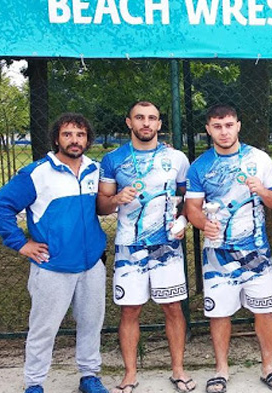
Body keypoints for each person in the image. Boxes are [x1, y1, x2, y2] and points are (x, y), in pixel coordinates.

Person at [0, 114, 109, 393]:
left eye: (80, 135)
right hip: (52, 265)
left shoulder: (95, 170)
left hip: (91, 263)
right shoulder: (37, 173)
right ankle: (34, 382)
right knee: (44, 329)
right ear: (57, 138)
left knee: (92, 324)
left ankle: (89, 375)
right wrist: (21, 243)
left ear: (87, 139)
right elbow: (1, 205)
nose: (74, 140)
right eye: (68, 134)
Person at [184, 105, 272, 393]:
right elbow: (192, 208)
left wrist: (262, 191)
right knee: (220, 314)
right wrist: (204, 223)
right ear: (208, 129)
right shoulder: (200, 166)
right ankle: (221, 371)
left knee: (264, 312)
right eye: (217, 126)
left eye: (229, 125)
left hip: (257, 255)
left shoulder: (259, 159)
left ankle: (269, 366)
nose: (224, 131)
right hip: (217, 255)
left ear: (238, 125)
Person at [96, 101, 194, 393]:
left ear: (160, 124)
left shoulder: (176, 158)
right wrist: (116, 200)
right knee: (130, 311)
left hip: (167, 247)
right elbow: (101, 206)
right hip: (129, 248)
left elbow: (190, 198)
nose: (146, 123)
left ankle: (178, 370)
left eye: (152, 118)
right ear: (129, 122)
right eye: (140, 118)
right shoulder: (113, 159)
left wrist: (184, 220)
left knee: (174, 307)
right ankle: (129, 374)